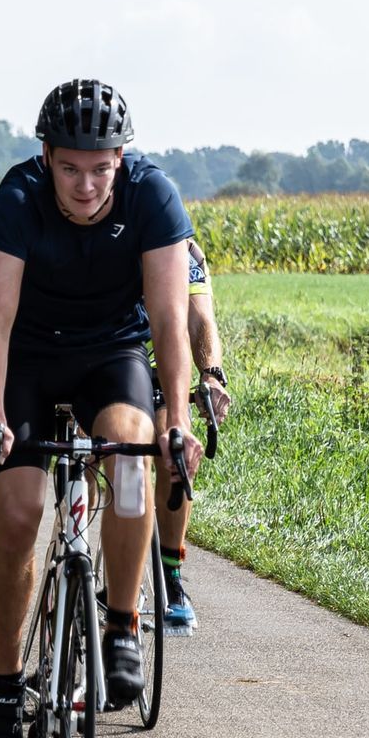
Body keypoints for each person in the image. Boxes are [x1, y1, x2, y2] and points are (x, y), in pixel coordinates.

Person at [0, 79, 201, 738]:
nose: (86, 184)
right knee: (17, 514)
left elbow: (168, 322)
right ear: (46, 156)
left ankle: (122, 623)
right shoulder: (18, 197)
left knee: (131, 459)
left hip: (112, 354)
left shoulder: (152, 195)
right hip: (31, 358)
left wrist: (178, 421)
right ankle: (7, 679)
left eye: (101, 168)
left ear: (122, 159)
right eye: (70, 167)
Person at [152, 236, 232, 634]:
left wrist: (211, 374)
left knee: (176, 453)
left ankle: (171, 576)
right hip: (107, 359)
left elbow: (201, 319)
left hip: (164, 366)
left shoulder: (178, 245)